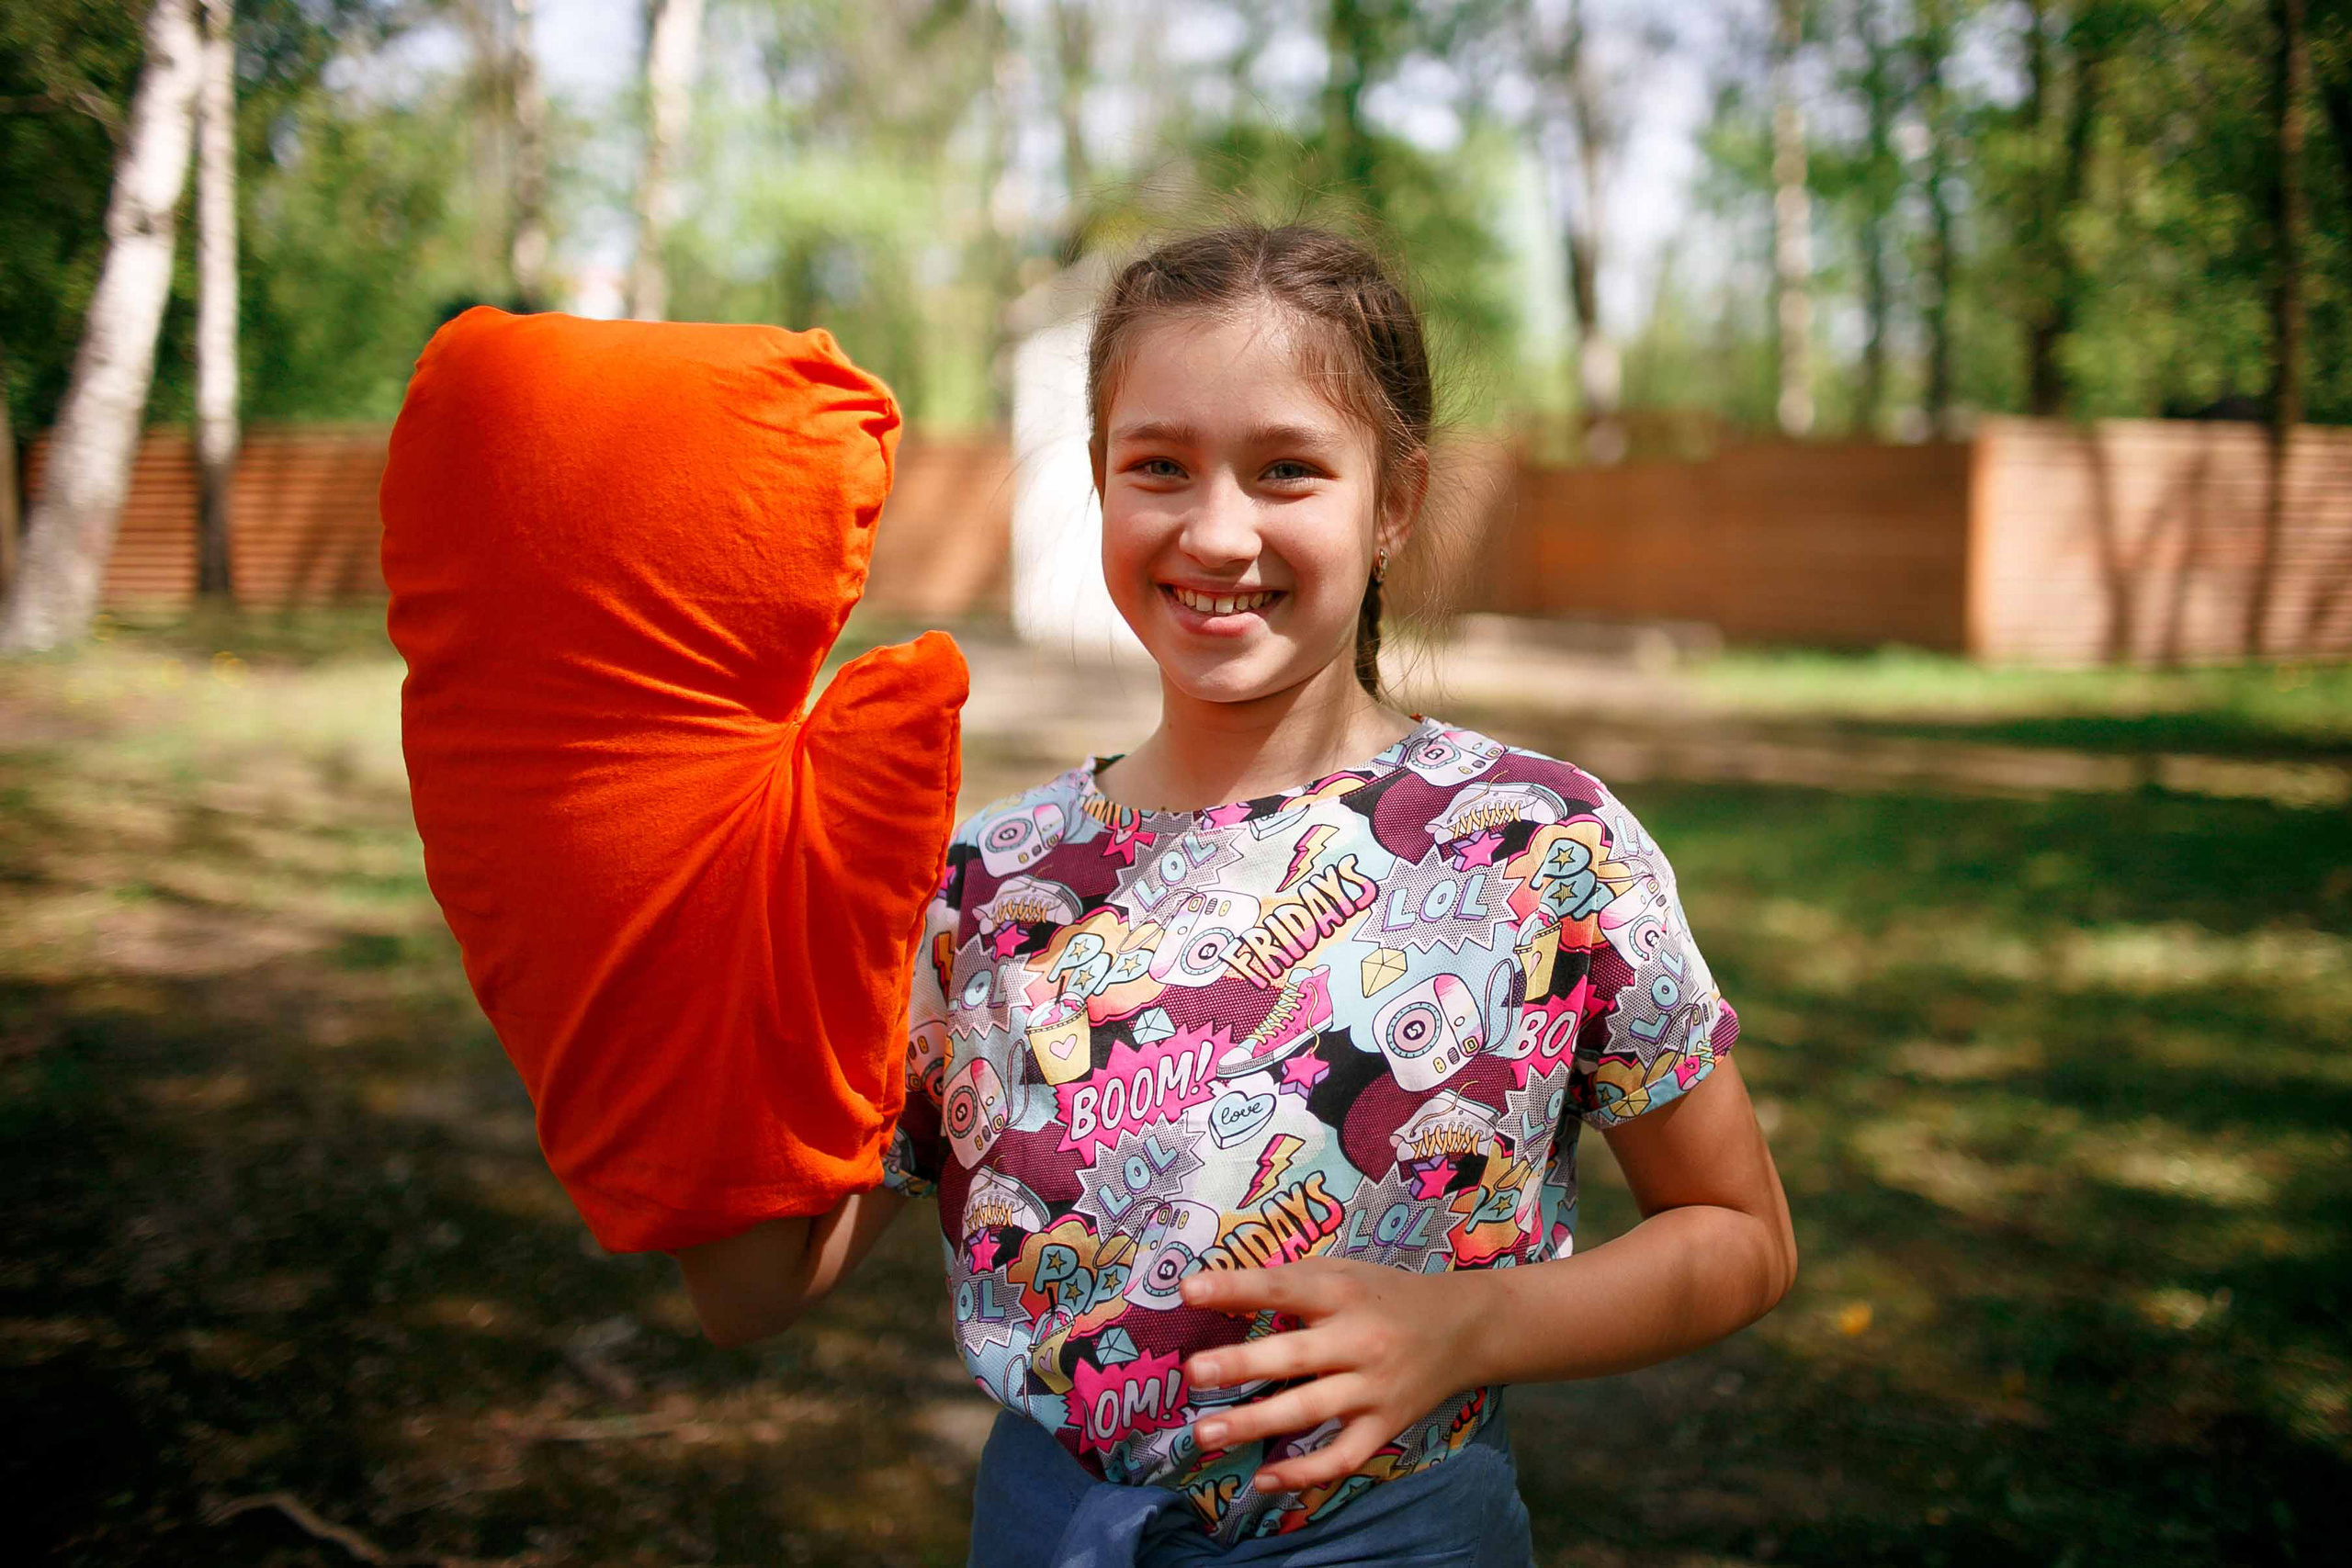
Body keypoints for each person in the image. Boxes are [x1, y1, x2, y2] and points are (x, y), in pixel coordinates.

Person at [669, 222, 1799, 1567]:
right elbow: (754, 1292)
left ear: (1393, 498)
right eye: (1158, 466)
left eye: (1286, 470)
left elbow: (1739, 1236)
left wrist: (1470, 1329)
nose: (1217, 531)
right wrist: (649, 979)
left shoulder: (1539, 849)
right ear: (1098, 480)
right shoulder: (982, 885)